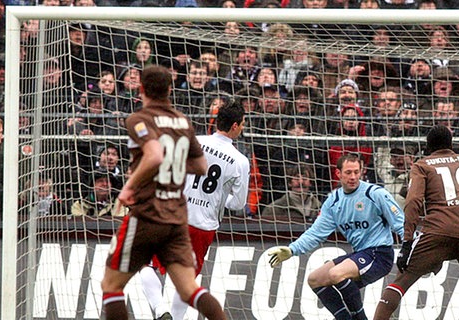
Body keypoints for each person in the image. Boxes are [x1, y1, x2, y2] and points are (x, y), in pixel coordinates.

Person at [100, 65, 226, 320]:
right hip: (177, 215)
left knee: (111, 285)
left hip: (147, 213)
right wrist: (173, 162)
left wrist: (128, 187)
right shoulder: (182, 121)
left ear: (141, 89)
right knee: (190, 288)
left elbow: (154, 154)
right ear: (170, 90)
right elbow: (202, 166)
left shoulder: (138, 119)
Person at [140, 102, 250, 320]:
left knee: (147, 265)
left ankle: (161, 311)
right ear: (235, 126)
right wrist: (217, 198)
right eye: (243, 124)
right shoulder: (240, 161)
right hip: (203, 225)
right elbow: (238, 204)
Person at [268, 153, 404, 320]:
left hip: (379, 254)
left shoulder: (375, 194)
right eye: (348, 172)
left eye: (356, 172)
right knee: (315, 279)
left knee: (336, 274)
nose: (353, 177)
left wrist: (412, 248)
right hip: (360, 254)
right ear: (338, 173)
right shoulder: (333, 201)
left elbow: (400, 223)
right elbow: (316, 232)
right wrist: (292, 249)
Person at [373, 125, 459, 320]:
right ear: (451, 144)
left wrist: (407, 241)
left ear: (428, 145)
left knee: (403, 278)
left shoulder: (423, 165)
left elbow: (413, 202)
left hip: (437, 231)